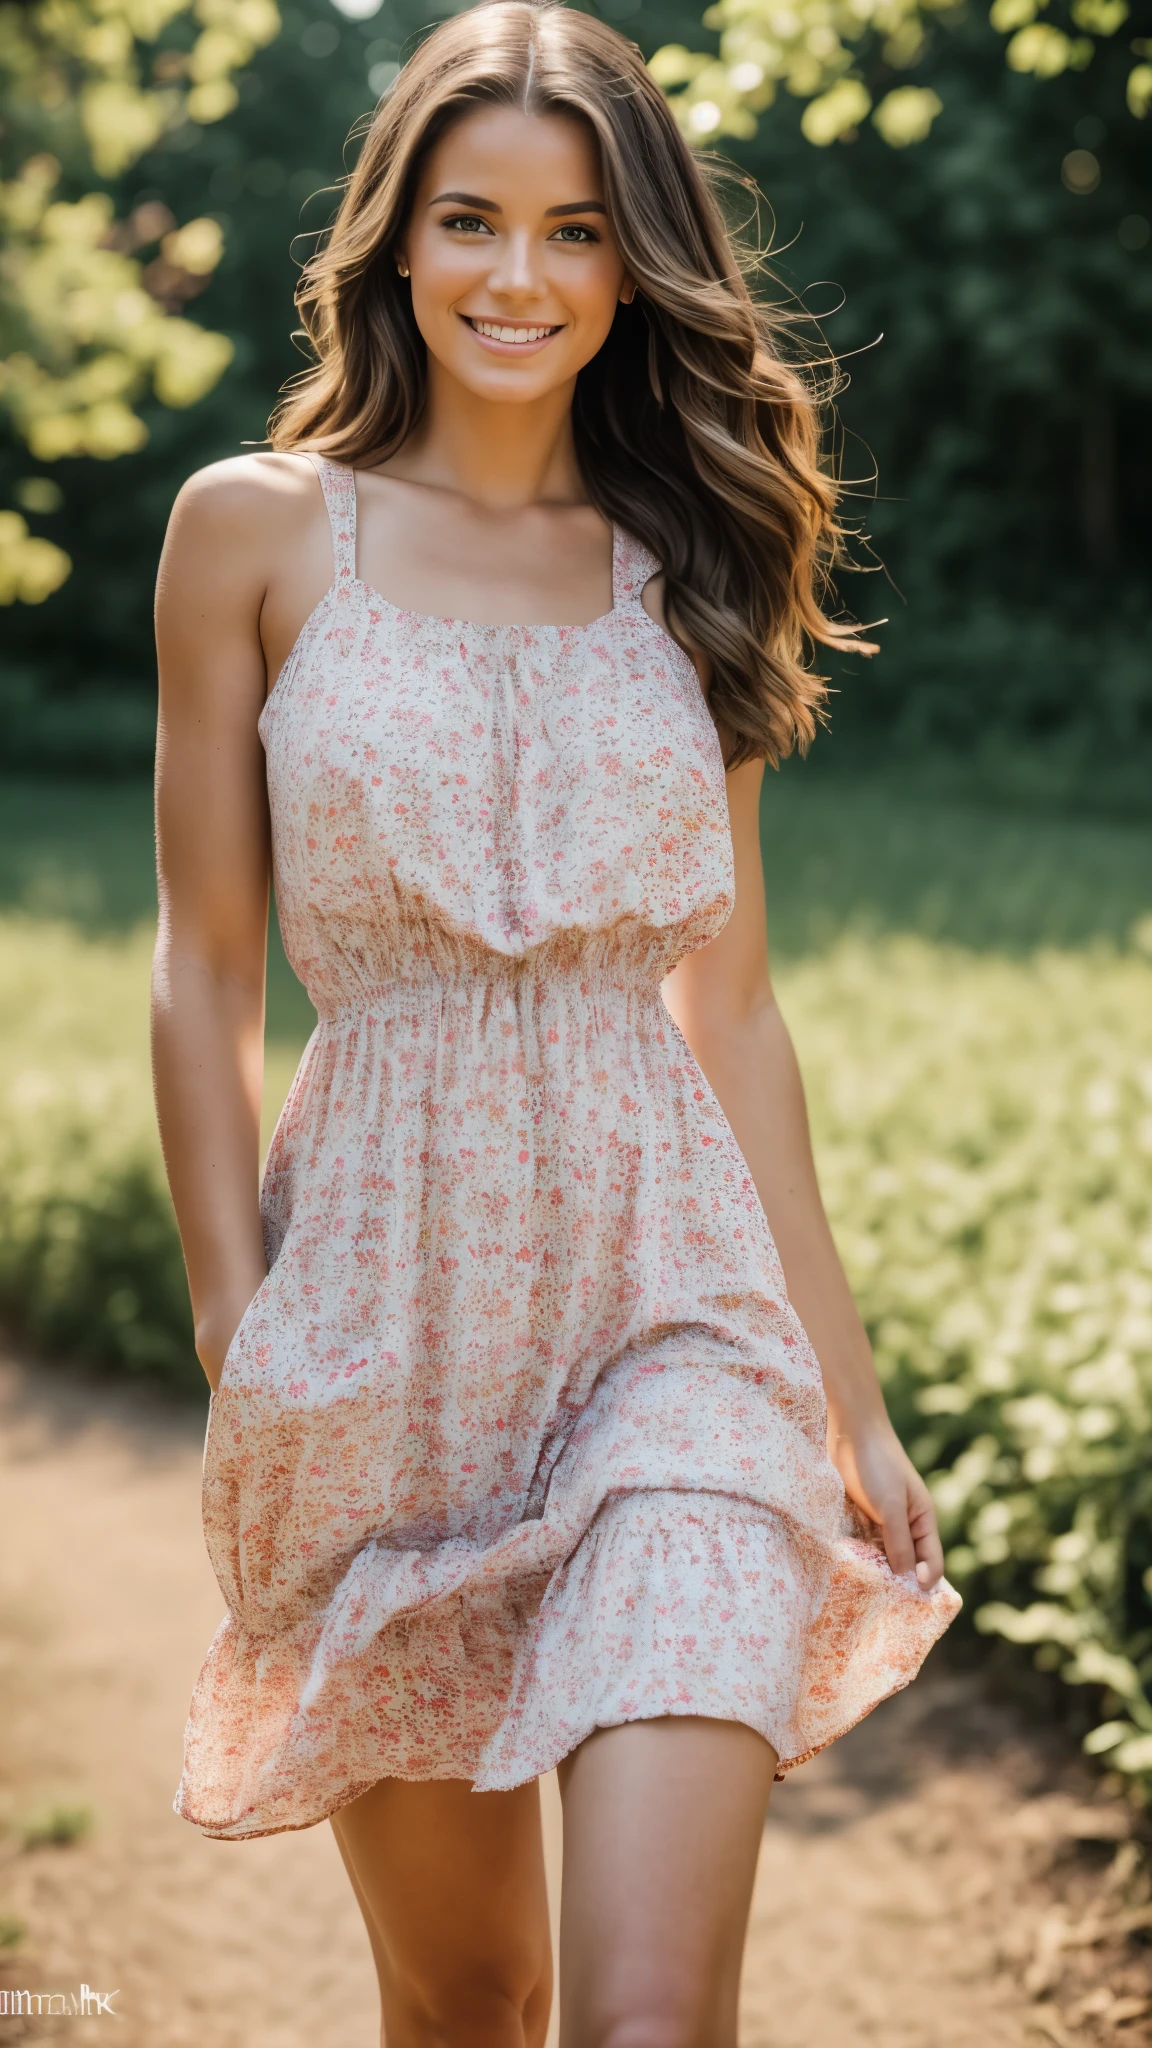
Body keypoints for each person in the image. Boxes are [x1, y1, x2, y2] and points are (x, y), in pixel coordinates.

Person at [151, 4, 959, 2040]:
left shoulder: (697, 553)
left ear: (636, 260)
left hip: (670, 1320)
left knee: (641, 2015)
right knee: (472, 1997)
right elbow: (203, 965)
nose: (522, 277)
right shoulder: (252, 533)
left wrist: (845, 1400)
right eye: (474, 222)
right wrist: (239, 1323)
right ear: (398, 244)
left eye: (579, 230)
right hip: (378, 1337)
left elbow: (736, 1005)